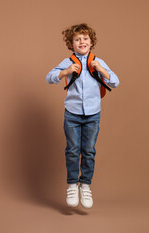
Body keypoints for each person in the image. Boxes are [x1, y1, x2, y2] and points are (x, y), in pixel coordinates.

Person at [46, 23, 119, 208]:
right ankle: (72, 184)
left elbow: (116, 81)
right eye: (77, 39)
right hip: (72, 113)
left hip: (93, 114)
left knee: (88, 150)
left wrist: (101, 70)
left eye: (85, 38)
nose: (82, 42)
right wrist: (65, 72)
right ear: (71, 44)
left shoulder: (98, 61)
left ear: (91, 42)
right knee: (72, 149)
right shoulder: (68, 62)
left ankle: (85, 185)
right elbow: (49, 78)